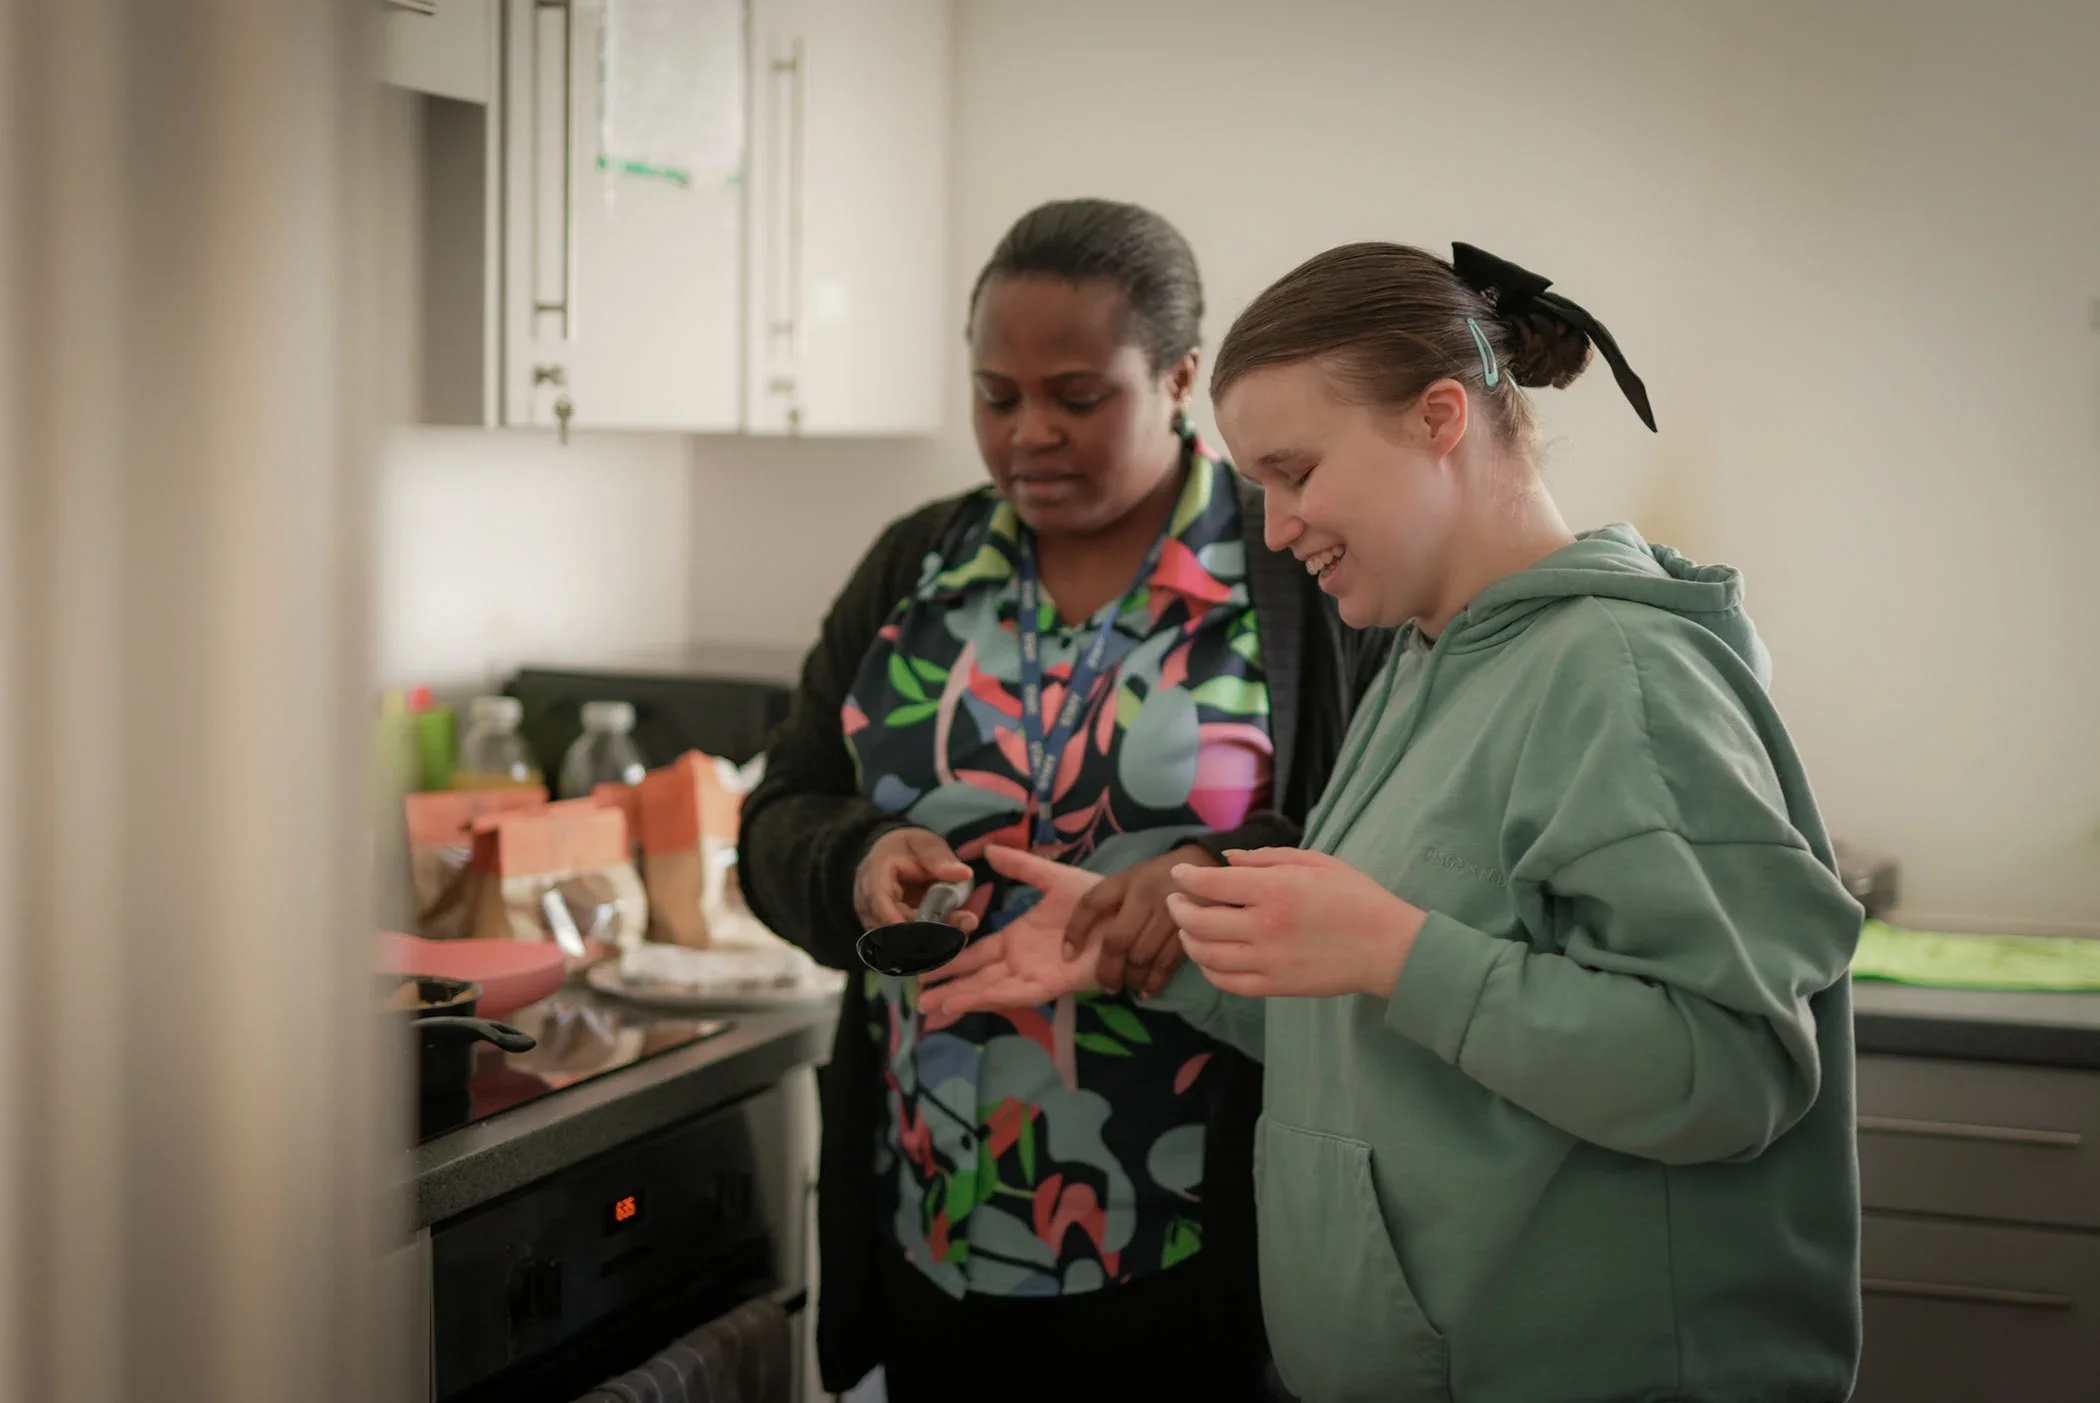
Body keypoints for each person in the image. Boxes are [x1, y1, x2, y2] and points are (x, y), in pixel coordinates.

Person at [924, 241, 1865, 1403]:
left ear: (1437, 419)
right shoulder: (1428, 663)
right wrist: (1150, 963)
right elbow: (1391, 1023)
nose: (1273, 528)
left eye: (1295, 472)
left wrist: (1395, 948)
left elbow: (1733, 1072)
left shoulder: (1620, 672)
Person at [735, 199, 1389, 1403]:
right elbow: (777, 812)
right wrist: (859, 856)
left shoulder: (1296, 572)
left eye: (1078, 397)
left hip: (1194, 1242)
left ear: (1182, 374)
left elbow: (1391, 850)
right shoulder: (915, 569)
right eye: (996, 394)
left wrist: (1214, 874)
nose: (1029, 432)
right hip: (933, 1223)